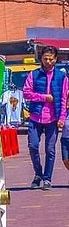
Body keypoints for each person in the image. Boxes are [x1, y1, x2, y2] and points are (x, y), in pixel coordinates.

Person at [23, 45, 68, 190]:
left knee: (50, 150)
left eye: (51, 59)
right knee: (33, 146)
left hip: (53, 119)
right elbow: (26, 93)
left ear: (55, 60)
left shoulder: (62, 77)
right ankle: (38, 174)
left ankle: (47, 179)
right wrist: (43, 97)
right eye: (45, 58)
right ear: (41, 59)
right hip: (36, 117)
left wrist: (61, 118)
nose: (48, 61)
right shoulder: (34, 74)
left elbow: (63, 99)